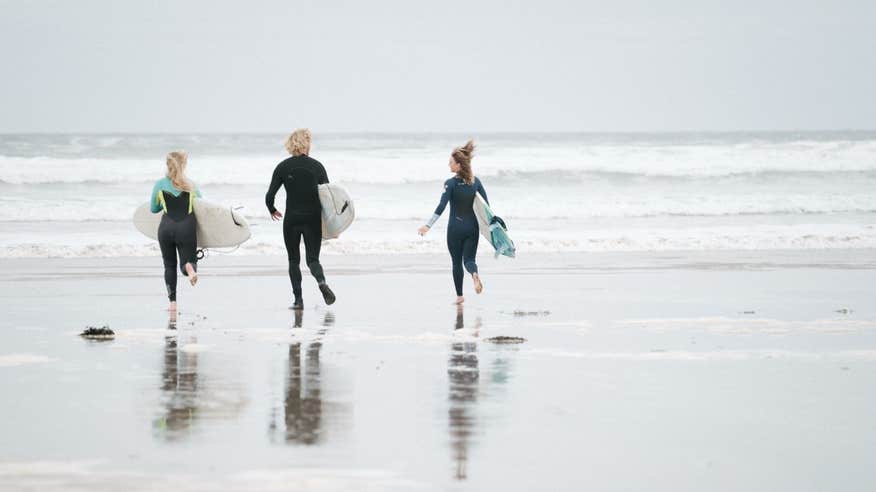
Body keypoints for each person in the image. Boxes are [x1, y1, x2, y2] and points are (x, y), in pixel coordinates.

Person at [266, 128, 336, 310]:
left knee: (293, 260)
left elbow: (269, 196)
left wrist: (272, 210)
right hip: (313, 219)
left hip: (292, 220)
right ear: (307, 144)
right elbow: (329, 198)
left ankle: (298, 301)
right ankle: (321, 283)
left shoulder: (283, 167)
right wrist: (332, 225)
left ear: (291, 145)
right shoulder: (317, 166)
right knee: (313, 260)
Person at [418, 140, 488, 304]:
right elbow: (486, 208)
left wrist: (427, 225)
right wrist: (493, 228)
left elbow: (441, 206)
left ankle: (460, 296)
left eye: (451, 162)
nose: (448, 165)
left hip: (455, 228)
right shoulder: (475, 182)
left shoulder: (450, 184)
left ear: (458, 165)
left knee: (456, 262)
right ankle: (474, 274)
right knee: (469, 260)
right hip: (472, 227)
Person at [150, 151, 202, 312]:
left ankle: (172, 304)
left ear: (168, 164)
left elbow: (153, 208)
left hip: (165, 229)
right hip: (186, 227)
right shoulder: (191, 185)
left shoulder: (159, 185)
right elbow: (201, 207)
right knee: (187, 261)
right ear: (184, 165)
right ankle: (189, 268)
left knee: (169, 266)